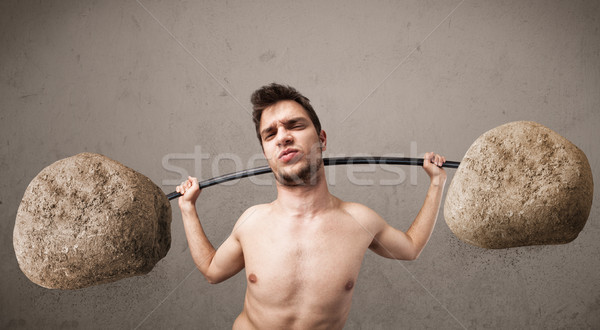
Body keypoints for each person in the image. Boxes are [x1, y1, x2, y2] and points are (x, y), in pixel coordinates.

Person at [176, 83, 447, 329]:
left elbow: (410, 248)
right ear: (266, 154)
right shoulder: (252, 222)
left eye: (295, 125)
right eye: (270, 134)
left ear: (322, 139)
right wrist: (188, 209)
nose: (282, 137)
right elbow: (212, 271)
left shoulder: (359, 220)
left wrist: (436, 183)